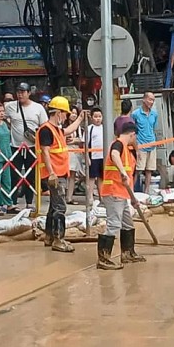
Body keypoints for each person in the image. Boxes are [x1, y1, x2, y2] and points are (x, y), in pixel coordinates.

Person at [37, 96, 85, 252]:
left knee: (53, 206)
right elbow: (45, 151)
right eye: (64, 113)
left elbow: (68, 131)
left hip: (59, 173)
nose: (65, 117)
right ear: (57, 113)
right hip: (54, 174)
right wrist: (51, 173)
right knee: (60, 207)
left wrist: (80, 119)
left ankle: (49, 236)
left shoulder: (56, 130)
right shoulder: (46, 129)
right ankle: (59, 239)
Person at [97, 121, 145, 270]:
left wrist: (132, 199)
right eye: (135, 137)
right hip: (113, 192)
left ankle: (127, 253)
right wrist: (122, 172)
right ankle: (104, 258)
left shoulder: (127, 151)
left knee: (127, 223)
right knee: (114, 224)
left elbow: (129, 177)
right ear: (132, 135)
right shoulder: (117, 145)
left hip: (122, 194)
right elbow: (114, 155)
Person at [4, 82, 48, 210]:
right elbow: (3, 119)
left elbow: (44, 126)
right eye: (18, 92)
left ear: (29, 93)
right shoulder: (10, 106)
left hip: (32, 147)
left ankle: (29, 202)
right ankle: (12, 203)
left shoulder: (38, 108)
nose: (20, 94)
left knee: (31, 175)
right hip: (15, 146)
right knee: (14, 175)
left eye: (23, 92)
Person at [131, 91, 159, 193]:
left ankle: (146, 192)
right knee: (138, 170)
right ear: (144, 99)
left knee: (149, 170)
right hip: (141, 145)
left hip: (152, 144)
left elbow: (153, 128)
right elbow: (133, 130)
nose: (151, 102)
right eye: (150, 99)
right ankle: (132, 191)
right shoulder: (135, 114)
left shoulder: (154, 114)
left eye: (153, 100)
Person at [66, 107, 86, 205]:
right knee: (69, 175)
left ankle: (69, 196)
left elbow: (82, 140)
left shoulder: (79, 129)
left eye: (75, 113)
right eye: (72, 113)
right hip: (66, 152)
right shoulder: (64, 126)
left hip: (76, 152)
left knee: (74, 174)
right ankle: (67, 196)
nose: (73, 115)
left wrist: (75, 140)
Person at [86, 107, 105, 200]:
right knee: (92, 178)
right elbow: (85, 144)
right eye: (96, 116)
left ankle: (102, 196)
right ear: (91, 118)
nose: (98, 119)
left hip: (103, 156)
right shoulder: (89, 129)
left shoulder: (105, 128)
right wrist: (87, 157)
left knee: (101, 177)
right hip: (93, 156)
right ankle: (90, 196)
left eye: (100, 116)